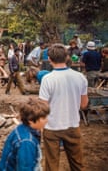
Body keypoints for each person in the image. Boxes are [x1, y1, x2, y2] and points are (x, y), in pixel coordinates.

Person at [39, 43, 89, 171]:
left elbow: (43, 107)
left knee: (52, 165)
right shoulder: (80, 77)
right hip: (73, 125)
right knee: (78, 164)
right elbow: (84, 105)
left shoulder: (47, 79)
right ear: (67, 57)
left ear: (49, 59)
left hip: (52, 127)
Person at [0, 98, 50, 171]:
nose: (47, 120)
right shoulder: (26, 142)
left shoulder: (21, 128)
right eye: (43, 118)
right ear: (31, 120)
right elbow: (25, 168)